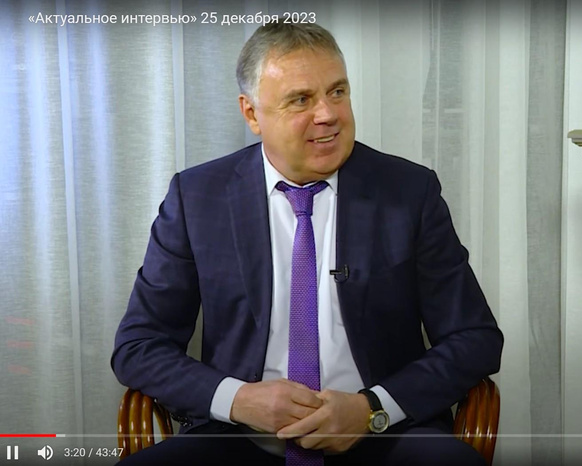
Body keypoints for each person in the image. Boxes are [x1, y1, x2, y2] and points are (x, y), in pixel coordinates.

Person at [112, 21, 503, 466]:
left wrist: (372, 408)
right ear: (252, 114)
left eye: (337, 92)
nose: (328, 114)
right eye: (301, 99)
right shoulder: (198, 198)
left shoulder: (409, 192)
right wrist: (238, 399)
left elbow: (475, 338)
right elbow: (139, 346)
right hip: (236, 436)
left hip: (385, 435)